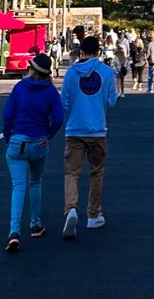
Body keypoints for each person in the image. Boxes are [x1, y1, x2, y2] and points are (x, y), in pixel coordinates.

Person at [2, 51, 64, 252]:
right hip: (39, 141)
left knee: (18, 185)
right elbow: (58, 118)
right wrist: (48, 134)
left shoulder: (20, 88)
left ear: (31, 68)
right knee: (35, 182)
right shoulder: (50, 92)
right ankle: (35, 223)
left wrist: (7, 136)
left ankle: (14, 231)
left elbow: (8, 116)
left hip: (17, 139)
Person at [61, 34, 117, 238]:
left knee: (72, 173)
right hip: (98, 129)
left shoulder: (71, 73)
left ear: (81, 51)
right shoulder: (107, 72)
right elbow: (112, 101)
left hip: (75, 129)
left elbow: (64, 101)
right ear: (99, 52)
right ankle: (94, 215)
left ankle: (71, 209)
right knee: (97, 172)